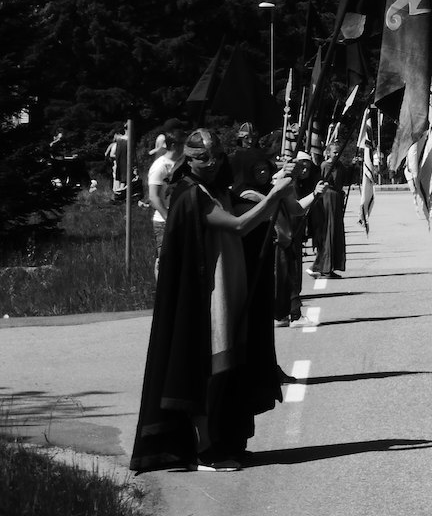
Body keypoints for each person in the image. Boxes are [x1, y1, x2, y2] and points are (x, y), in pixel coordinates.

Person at [130, 129, 294, 473]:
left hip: (231, 286)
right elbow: (237, 226)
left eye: (216, 156)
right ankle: (205, 449)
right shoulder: (192, 194)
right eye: (201, 157)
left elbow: (246, 215)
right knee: (211, 369)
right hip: (209, 293)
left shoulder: (216, 190)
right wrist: (271, 198)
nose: (210, 162)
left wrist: (266, 195)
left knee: (231, 366)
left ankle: (227, 438)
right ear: (187, 160)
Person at [273, 151, 325, 326]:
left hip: (286, 236)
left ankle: (289, 314)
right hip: (272, 239)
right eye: (297, 164)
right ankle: (284, 314)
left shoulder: (288, 184)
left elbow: (296, 208)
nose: (302, 169)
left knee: (289, 275)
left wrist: (315, 194)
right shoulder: (276, 182)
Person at [146, 127, 185, 278]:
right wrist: (168, 217)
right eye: (182, 143)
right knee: (164, 260)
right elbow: (154, 197)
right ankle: (162, 295)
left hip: (181, 218)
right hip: (164, 221)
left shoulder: (184, 162)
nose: (185, 147)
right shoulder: (160, 166)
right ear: (174, 145)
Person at [310, 137, 349, 279]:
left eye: (338, 152)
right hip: (328, 199)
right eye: (334, 152)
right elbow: (323, 182)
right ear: (328, 153)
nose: (336, 155)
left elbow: (346, 178)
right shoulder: (325, 166)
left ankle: (331, 266)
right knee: (329, 231)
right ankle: (323, 267)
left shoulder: (339, 166)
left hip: (337, 200)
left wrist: (354, 166)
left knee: (336, 232)